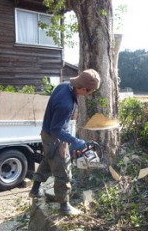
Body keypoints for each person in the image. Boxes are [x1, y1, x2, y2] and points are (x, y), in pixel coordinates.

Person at [29, 69, 101, 216]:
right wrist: (75, 140)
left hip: (47, 134)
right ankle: (64, 206)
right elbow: (57, 129)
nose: (89, 94)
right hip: (55, 137)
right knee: (64, 172)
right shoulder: (65, 104)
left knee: (48, 161)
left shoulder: (64, 86)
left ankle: (35, 189)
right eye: (90, 91)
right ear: (81, 88)